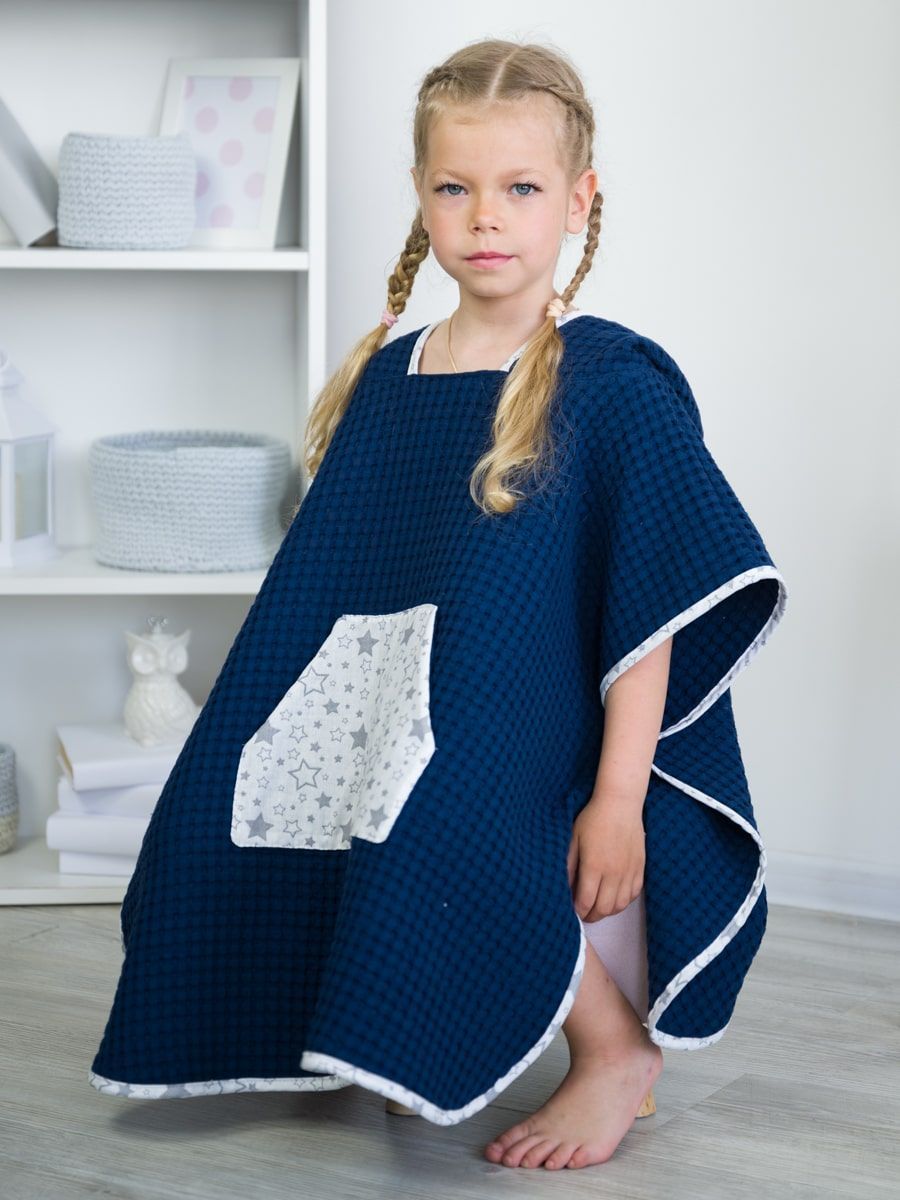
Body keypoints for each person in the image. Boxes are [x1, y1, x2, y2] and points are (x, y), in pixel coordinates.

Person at [88, 38, 789, 1173]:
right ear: (421, 194)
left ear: (578, 200)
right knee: (226, 787)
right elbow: (335, 580)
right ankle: (389, 1023)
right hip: (388, 686)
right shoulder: (387, 375)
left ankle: (613, 1048)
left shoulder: (608, 381)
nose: (486, 217)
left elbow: (652, 605)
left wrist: (618, 799)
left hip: (539, 713)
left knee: (438, 795)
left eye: (522, 188)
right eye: (456, 188)